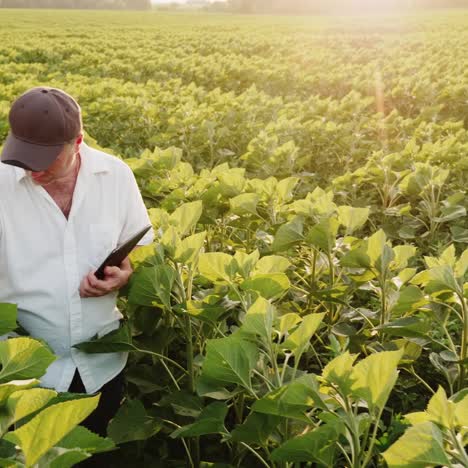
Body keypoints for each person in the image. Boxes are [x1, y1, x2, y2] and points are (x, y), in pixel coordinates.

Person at [0, 87, 154, 440]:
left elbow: (134, 249)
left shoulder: (115, 176)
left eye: (46, 157)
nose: (32, 168)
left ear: (78, 141)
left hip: (101, 366)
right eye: (23, 154)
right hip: (22, 374)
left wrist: (123, 274)